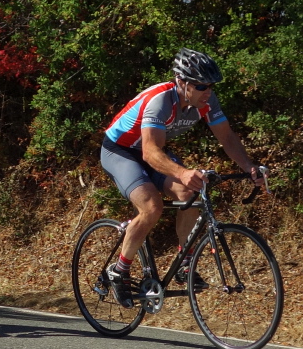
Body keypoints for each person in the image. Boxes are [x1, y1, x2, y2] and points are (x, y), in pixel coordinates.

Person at [100, 48, 263, 307]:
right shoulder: (161, 100)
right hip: (121, 151)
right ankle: (119, 270)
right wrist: (183, 172)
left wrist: (249, 166)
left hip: (152, 150)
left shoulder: (207, 100)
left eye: (210, 85)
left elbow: (227, 137)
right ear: (181, 81)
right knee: (151, 206)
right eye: (200, 85)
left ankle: (183, 263)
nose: (207, 90)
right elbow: (150, 151)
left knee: (190, 193)